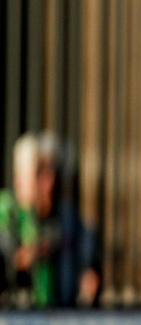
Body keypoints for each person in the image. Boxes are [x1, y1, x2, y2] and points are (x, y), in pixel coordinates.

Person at [0, 131, 100, 308]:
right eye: (40, 173)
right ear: (20, 179)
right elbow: (15, 258)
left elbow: (88, 263)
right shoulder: (7, 211)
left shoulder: (68, 217)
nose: (50, 182)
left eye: (54, 172)